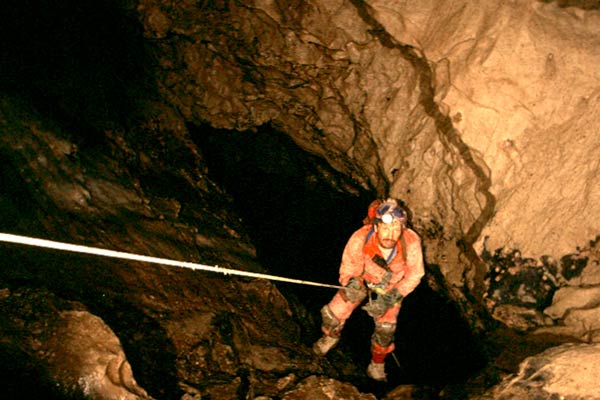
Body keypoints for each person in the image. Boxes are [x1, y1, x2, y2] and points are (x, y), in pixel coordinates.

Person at [312, 198, 425, 381]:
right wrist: (351, 283)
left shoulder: (410, 242)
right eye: (386, 227)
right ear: (377, 227)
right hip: (364, 278)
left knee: (386, 328)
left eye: (396, 228)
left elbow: (415, 275)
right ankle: (331, 337)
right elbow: (349, 267)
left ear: (402, 229)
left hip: (392, 286)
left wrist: (391, 297)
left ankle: (377, 364)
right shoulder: (361, 238)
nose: (391, 233)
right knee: (333, 314)